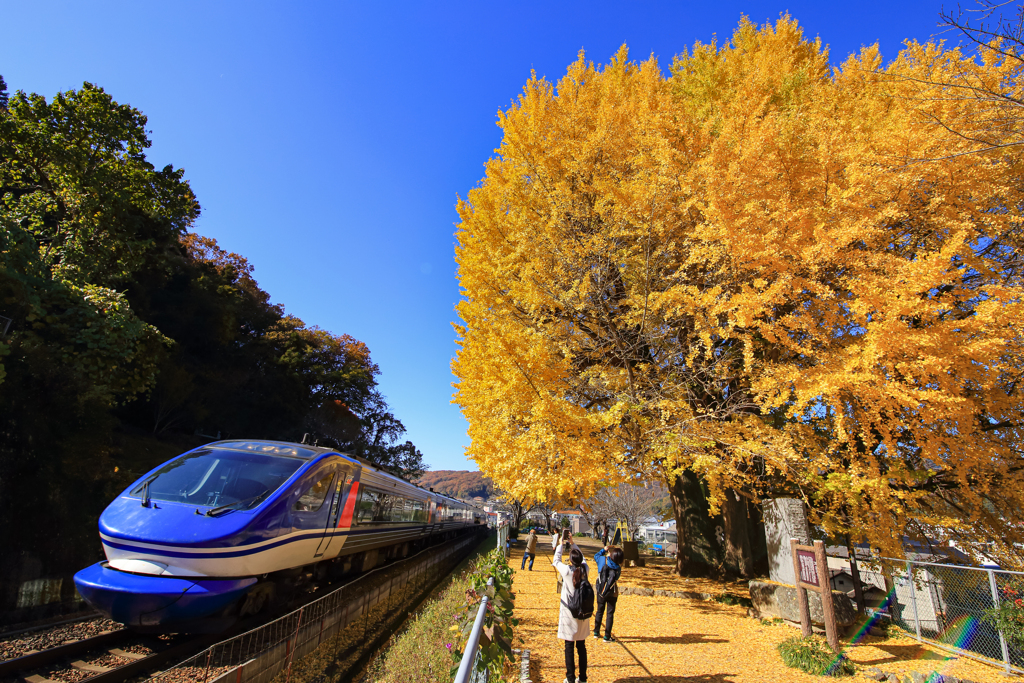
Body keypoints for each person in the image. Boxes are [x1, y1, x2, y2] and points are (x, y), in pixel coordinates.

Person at [553, 546, 590, 683]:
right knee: (581, 646)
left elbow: (556, 560)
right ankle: (583, 677)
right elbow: (584, 559)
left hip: (568, 613)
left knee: (569, 646)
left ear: (570, 560)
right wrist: (574, 544)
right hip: (582, 612)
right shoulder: (585, 570)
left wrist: (561, 545)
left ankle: (570, 678)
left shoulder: (567, 571)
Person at [593, 545, 623, 642]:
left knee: (599, 611)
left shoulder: (602, 560)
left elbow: (595, 556)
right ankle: (607, 636)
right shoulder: (618, 568)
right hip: (612, 591)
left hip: (601, 590)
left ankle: (596, 632)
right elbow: (616, 578)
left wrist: (604, 550)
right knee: (610, 613)